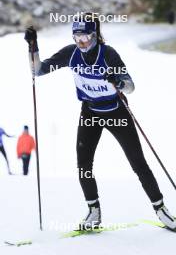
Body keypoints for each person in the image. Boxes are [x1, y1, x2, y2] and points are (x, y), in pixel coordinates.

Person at [24, 12, 176, 230]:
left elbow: (130, 87)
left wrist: (118, 82)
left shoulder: (108, 54)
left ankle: (161, 209)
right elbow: (37, 71)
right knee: (83, 166)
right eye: (77, 38)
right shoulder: (71, 54)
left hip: (116, 112)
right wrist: (33, 46)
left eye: (85, 37)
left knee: (138, 163)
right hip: (90, 113)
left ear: (94, 35)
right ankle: (94, 212)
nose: (81, 42)